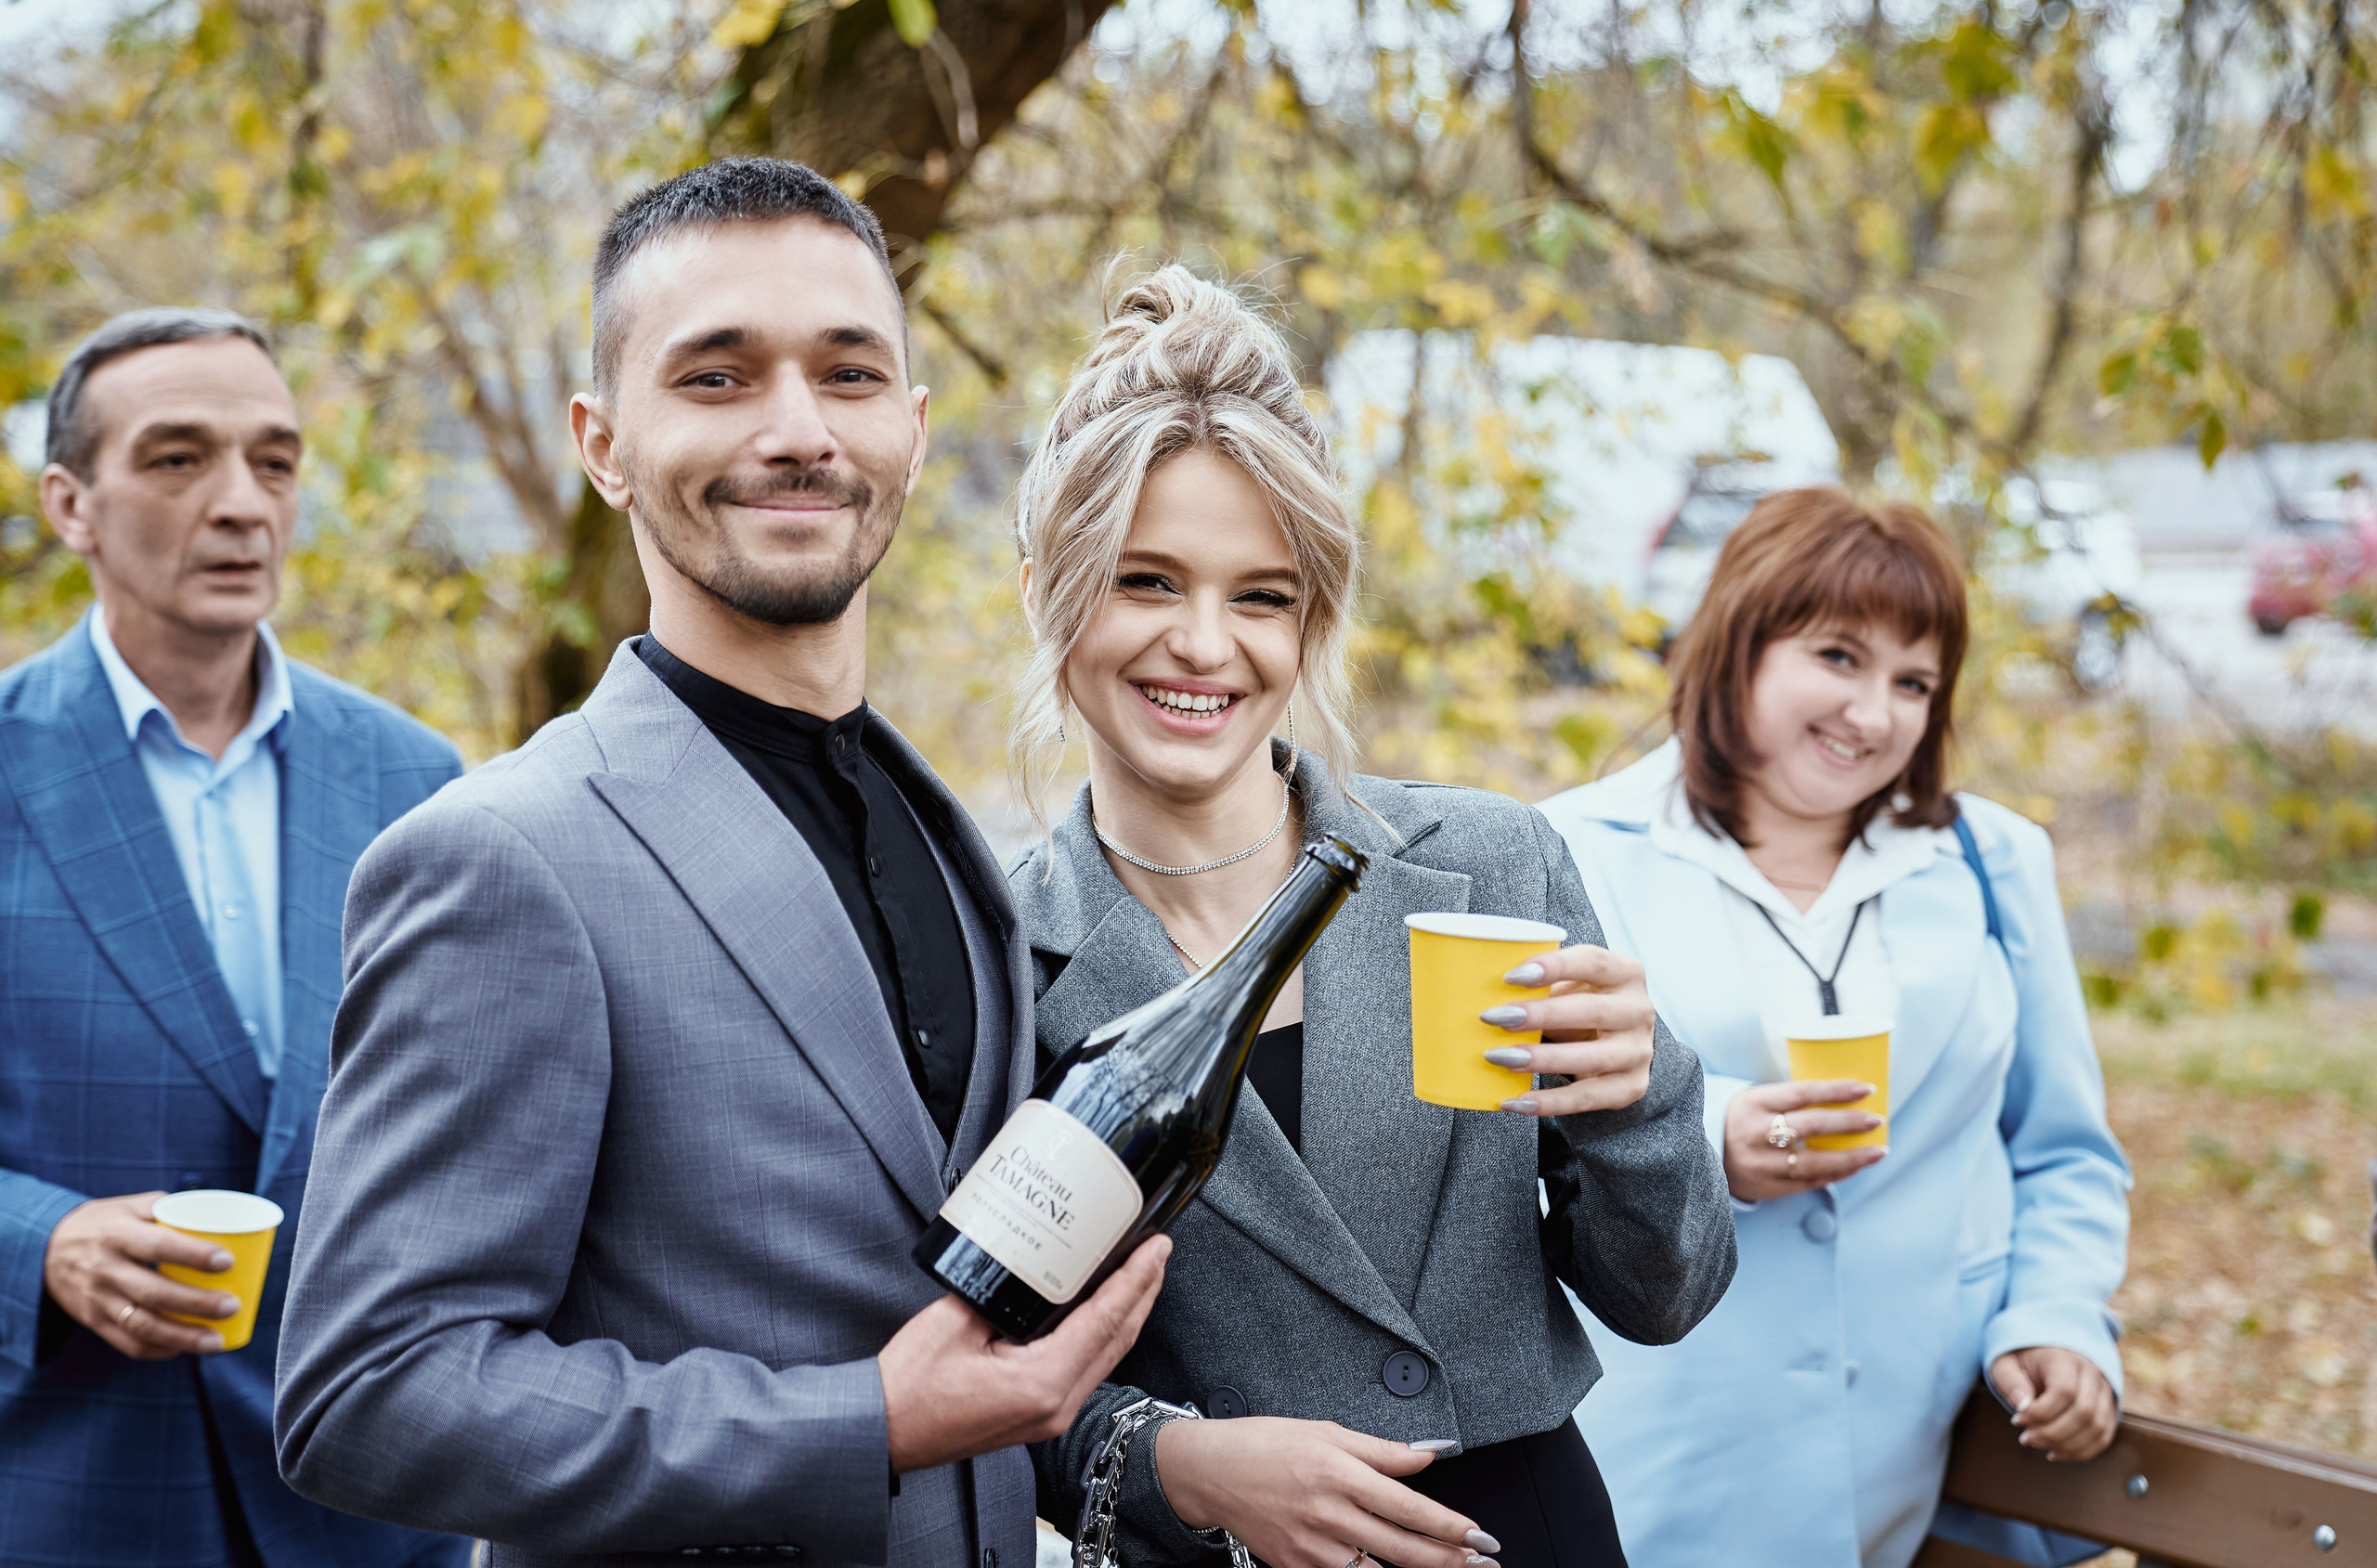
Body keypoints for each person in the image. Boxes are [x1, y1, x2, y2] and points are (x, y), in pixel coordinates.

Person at [273, 158, 1168, 1568]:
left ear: (916, 432)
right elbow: (369, 1389)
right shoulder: (501, 857)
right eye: (718, 377)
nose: (799, 429)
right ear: (601, 440)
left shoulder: (957, 845)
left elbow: (960, 1341)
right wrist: (856, 1421)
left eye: (850, 374)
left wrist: (1186, 1465)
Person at [1006, 266, 1737, 1568]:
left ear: (1312, 618)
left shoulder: (1494, 862)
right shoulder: (998, 956)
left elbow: (1664, 1292)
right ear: (1048, 587)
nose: (1204, 644)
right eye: (1147, 581)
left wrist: (1643, 1095)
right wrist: (1178, 1462)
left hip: (1524, 1531)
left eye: (1262, 595)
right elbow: (978, 1373)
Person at [1537, 488, 2132, 1568]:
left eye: (1914, 681)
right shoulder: (1567, 849)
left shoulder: (1996, 864)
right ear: (1739, 644)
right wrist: (1705, 1135)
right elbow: (1504, 1154)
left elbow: (2063, 1155)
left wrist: (2056, 1317)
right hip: (1663, 1455)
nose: (1874, 713)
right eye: (1838, 657)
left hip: (1924, 1466)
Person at [0, 308, 467, 1568]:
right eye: (175, 458)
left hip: (372, 1509)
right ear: (69, 504)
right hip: (68, 1494)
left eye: (274, 461)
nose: (241, 503)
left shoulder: (418, 778)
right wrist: (39, 1240)